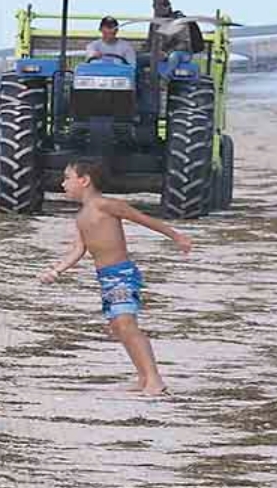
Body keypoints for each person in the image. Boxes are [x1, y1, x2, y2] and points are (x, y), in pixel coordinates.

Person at [39, 159, 192, 396]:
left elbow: (144, 219)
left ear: (84, 180)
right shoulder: (81, 217)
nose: (62, 183)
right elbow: (79, 250)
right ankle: (143, 377)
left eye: (67, 178)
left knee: (127, 325)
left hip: (122, 275)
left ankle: (154, 379)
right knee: (118, 328)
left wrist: (176, 236)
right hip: (106, 279)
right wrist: (56, 270)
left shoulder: (106, 205)